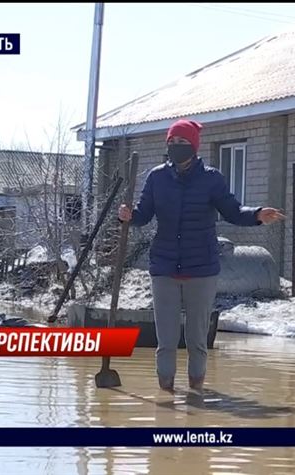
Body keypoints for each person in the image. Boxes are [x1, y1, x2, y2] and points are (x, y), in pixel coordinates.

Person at [118, 119, 284, 393]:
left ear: (194, 146)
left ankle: (196, 394)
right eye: (171, 143)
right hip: (164, 266)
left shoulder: (211, 179)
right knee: (166, 340)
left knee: (196, 339)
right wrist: (128, 216)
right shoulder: (157, 177)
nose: (175, 147)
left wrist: (256, 214)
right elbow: (143, 215)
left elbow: (232, 211)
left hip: (201, 269)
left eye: (182, 143)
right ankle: (166, 398)